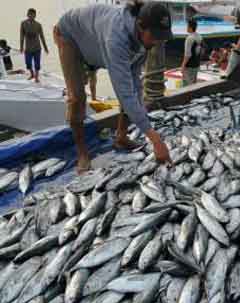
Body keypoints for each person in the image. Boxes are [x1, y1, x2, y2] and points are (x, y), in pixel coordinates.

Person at [54, 1, 172, 174]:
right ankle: (82, 153)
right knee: (77, 97)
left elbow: (135, 84)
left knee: (131, 90)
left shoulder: (144, 39)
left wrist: (145, 122)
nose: (157, 41)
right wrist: (155, 140)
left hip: (94, 41)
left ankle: (121, 137)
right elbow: (123, 92)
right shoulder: (116, 38)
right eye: (154, 36)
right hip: (70, 35)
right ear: (140, 26)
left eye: (161, 36)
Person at [20, 8, 49, 83]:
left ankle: (36, 77)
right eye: (29, 14)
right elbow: (21, 36)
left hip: (37, 47)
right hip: (28, 48)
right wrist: (21, 47)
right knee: (28, 63)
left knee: (37, 63)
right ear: (27, 14)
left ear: (35, 15)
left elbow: (42, 37)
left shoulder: (38, 25)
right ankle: (32, 74)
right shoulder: (23, 23)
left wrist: (45, 48)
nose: (31, 16)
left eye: (33, 14)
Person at [181, 19, 202, 86]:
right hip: (196, 64)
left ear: (190, 27)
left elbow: (188, 54)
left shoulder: (189, 38)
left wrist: (183, 65)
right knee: (193, 84)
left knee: (187, 85)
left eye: (187, 26)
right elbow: (202, 50)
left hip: (189, 65)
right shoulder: (199, 36)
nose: (186, 28)